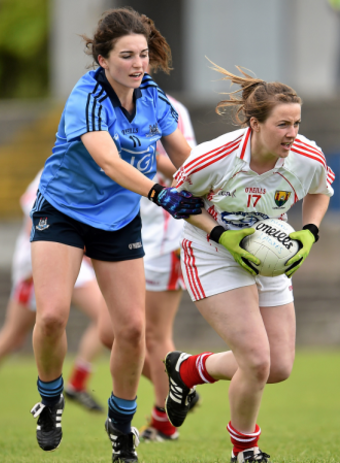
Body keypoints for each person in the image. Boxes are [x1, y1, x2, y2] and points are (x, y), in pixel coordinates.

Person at [28, 7, 202, 463]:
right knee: (51, 317)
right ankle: (50, 400)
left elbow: (185, 159)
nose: (139, 63)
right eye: (127, 55)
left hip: (118, 219)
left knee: (131, 329)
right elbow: (108, 161)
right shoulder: (86, 97)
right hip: (63, 212)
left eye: (143, 54)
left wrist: (231, 187)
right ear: (103, 60)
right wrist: (162, 195)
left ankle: (121, 426)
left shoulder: (152, 97)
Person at [163, 62, 335, 463]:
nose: (292, 133)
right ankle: (245, 451)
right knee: (256, 360)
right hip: (211, 251)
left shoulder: (306, 155)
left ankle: (188, 370)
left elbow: (321, 188)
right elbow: (177, 200)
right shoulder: (213, 158)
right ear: (254, 124)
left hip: (266, 253)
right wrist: (222, 234)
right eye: (282, 124)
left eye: (296, 122)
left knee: (277, 366)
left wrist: (309, 231)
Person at [0, 171, 107, 423]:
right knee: (14, 335)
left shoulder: (93, 170)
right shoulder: (52, 172)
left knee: (107, 317)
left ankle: (78, 382)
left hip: (74, 257)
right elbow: (36, 222)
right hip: (39, 258)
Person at [137, 96, 200, 442]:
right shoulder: (101, 103)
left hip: (166, 233)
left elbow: (186, 167)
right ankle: (181, 389)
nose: (136, 63)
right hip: (130, 229)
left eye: (141, 54)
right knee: (111, 332)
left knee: (153, 333)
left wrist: (136, 155)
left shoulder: (167, 107)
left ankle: (164, 419)